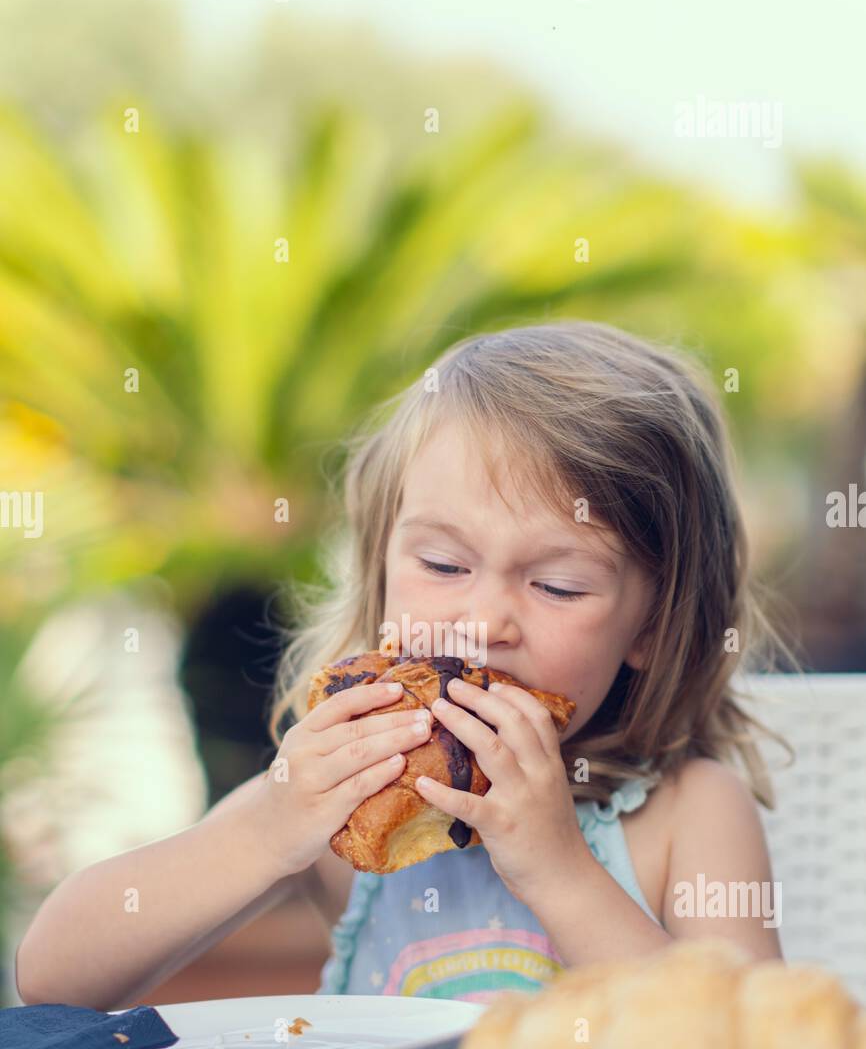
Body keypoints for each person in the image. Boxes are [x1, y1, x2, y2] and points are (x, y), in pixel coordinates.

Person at [16, 321, 794, 1011]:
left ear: (654, 627)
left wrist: (558, 868)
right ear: (381, 565)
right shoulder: (346, 802)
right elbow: (55, 977)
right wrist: (267, 830)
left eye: (557, 584)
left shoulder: (688, 812)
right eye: (443, 563)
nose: (482, 621)